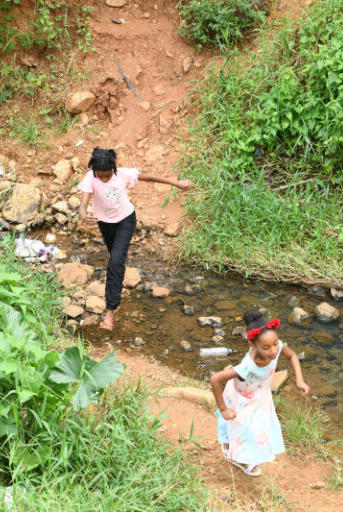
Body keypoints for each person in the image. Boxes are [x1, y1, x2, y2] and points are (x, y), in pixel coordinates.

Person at [78, 147, 194, 330]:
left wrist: (177, 183)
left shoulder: (123, 174)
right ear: (94, 171)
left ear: (113, 168)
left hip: (126, 220)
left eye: (107, 175)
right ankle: (122, 256)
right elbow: (83, 203)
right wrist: (83, 214)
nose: (104, 178)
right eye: (101, 176)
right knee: (116, 254)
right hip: (104, 223)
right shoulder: (90, 177)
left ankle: (110, 312)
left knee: (115, 262)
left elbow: (149, 177)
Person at [209, 312, 310, 476]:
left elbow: (291, 355)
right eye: (266, 347)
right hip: (242, 398)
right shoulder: (248, 366)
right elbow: (215, 379)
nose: (273, 350)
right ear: (252, 345)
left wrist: (300, 380)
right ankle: (240, 460)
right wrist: (223, 409)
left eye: (275, 343)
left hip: (260, 396)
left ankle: (229, 447)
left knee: (254, 429)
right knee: (246, 429)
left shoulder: (275, 348)